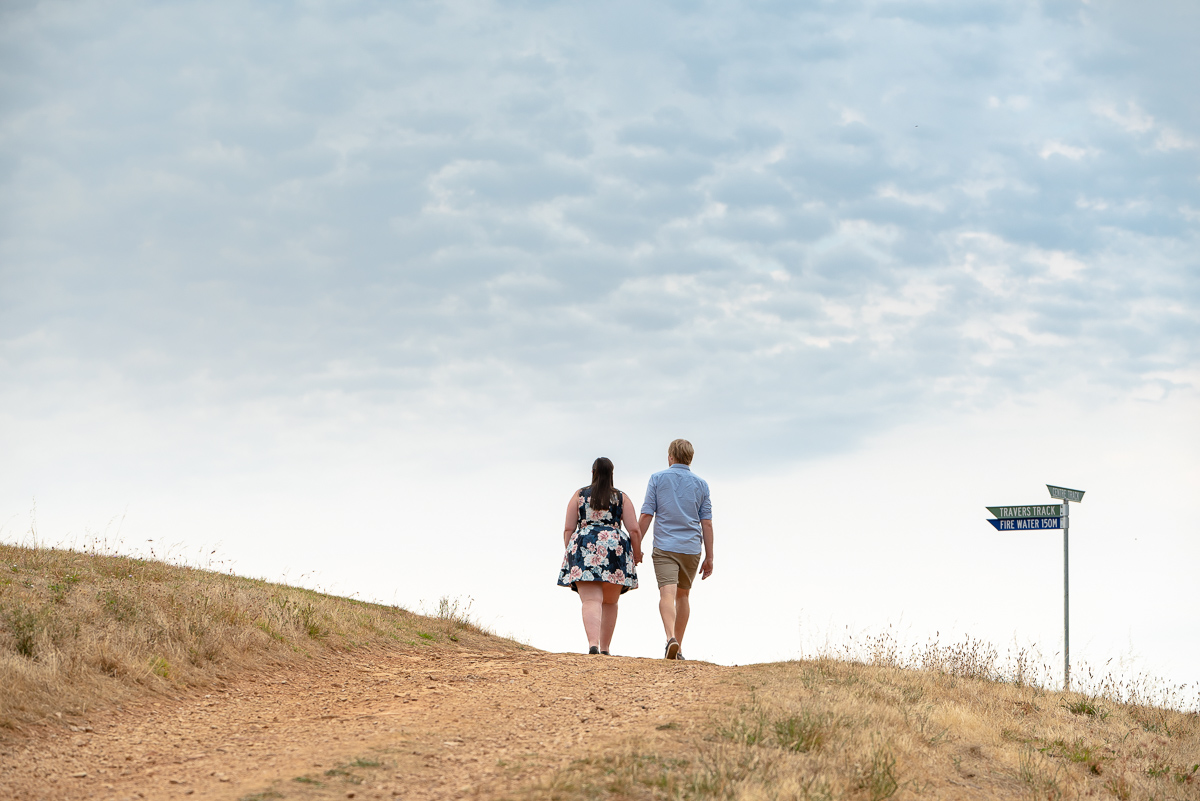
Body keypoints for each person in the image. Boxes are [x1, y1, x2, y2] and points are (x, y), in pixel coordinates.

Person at [557, 457, 643, 655]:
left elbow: (569, 528)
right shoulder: (621, 497)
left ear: (593, 473)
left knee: (590, 601)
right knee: (611, 601)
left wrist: (571, 554)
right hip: (615, 550)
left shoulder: (579, 495)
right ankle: (605, 648)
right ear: (612, 475)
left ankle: (592, 644)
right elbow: (635, 530)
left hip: (584, 547)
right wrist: (637, 554)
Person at [639, 439, 712, 660]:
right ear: (690, 458)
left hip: (665, 546)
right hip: (691, 547)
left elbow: (646, 515)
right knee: (683, 596)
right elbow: (706, 523)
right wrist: (710, 556)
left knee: (666, 594)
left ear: (670, 456)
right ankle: (678, 648)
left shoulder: (657, 479)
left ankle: (670, 637)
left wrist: (635, 545)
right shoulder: (702, 485)